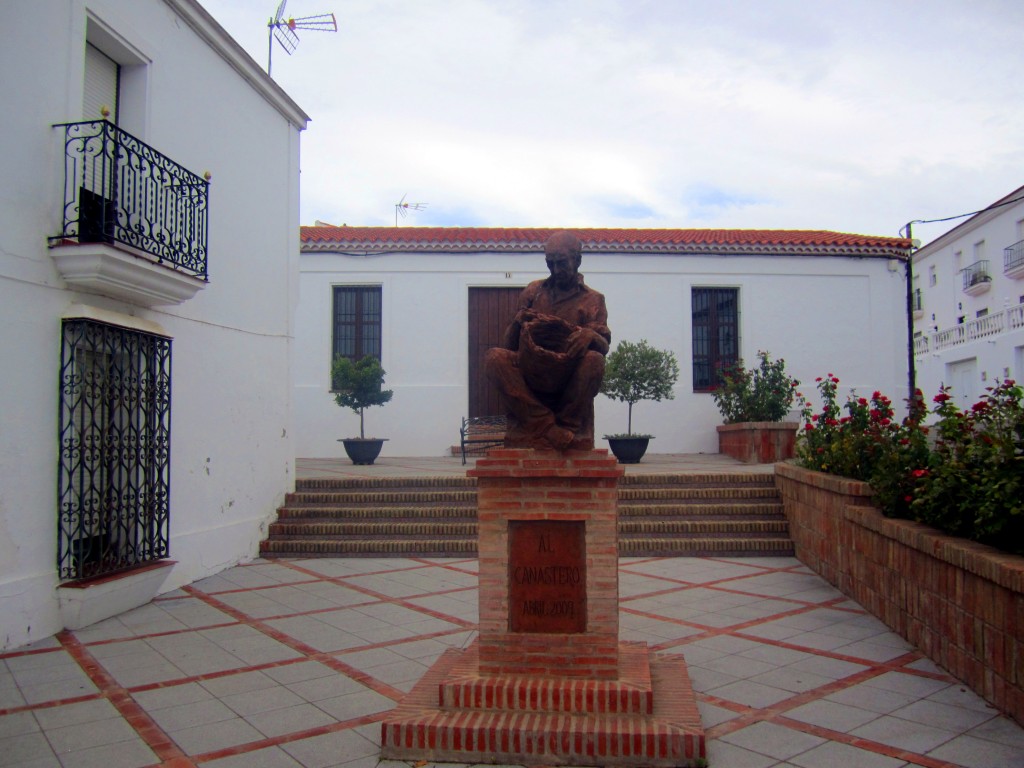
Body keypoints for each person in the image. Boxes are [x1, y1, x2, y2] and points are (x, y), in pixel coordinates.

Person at [485, 231, 611, 450]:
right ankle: (548, 428)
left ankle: (567, 425)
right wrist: (518, 322)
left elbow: (604, 346)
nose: (555, 270)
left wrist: (591, 336)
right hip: (531, 369)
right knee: (494, 358)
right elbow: (509, 345)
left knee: (594, 360)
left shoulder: (593, 300)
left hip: (568, 377)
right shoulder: (533, 292)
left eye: (561, 263)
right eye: (550, 263)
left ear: (577, 261)